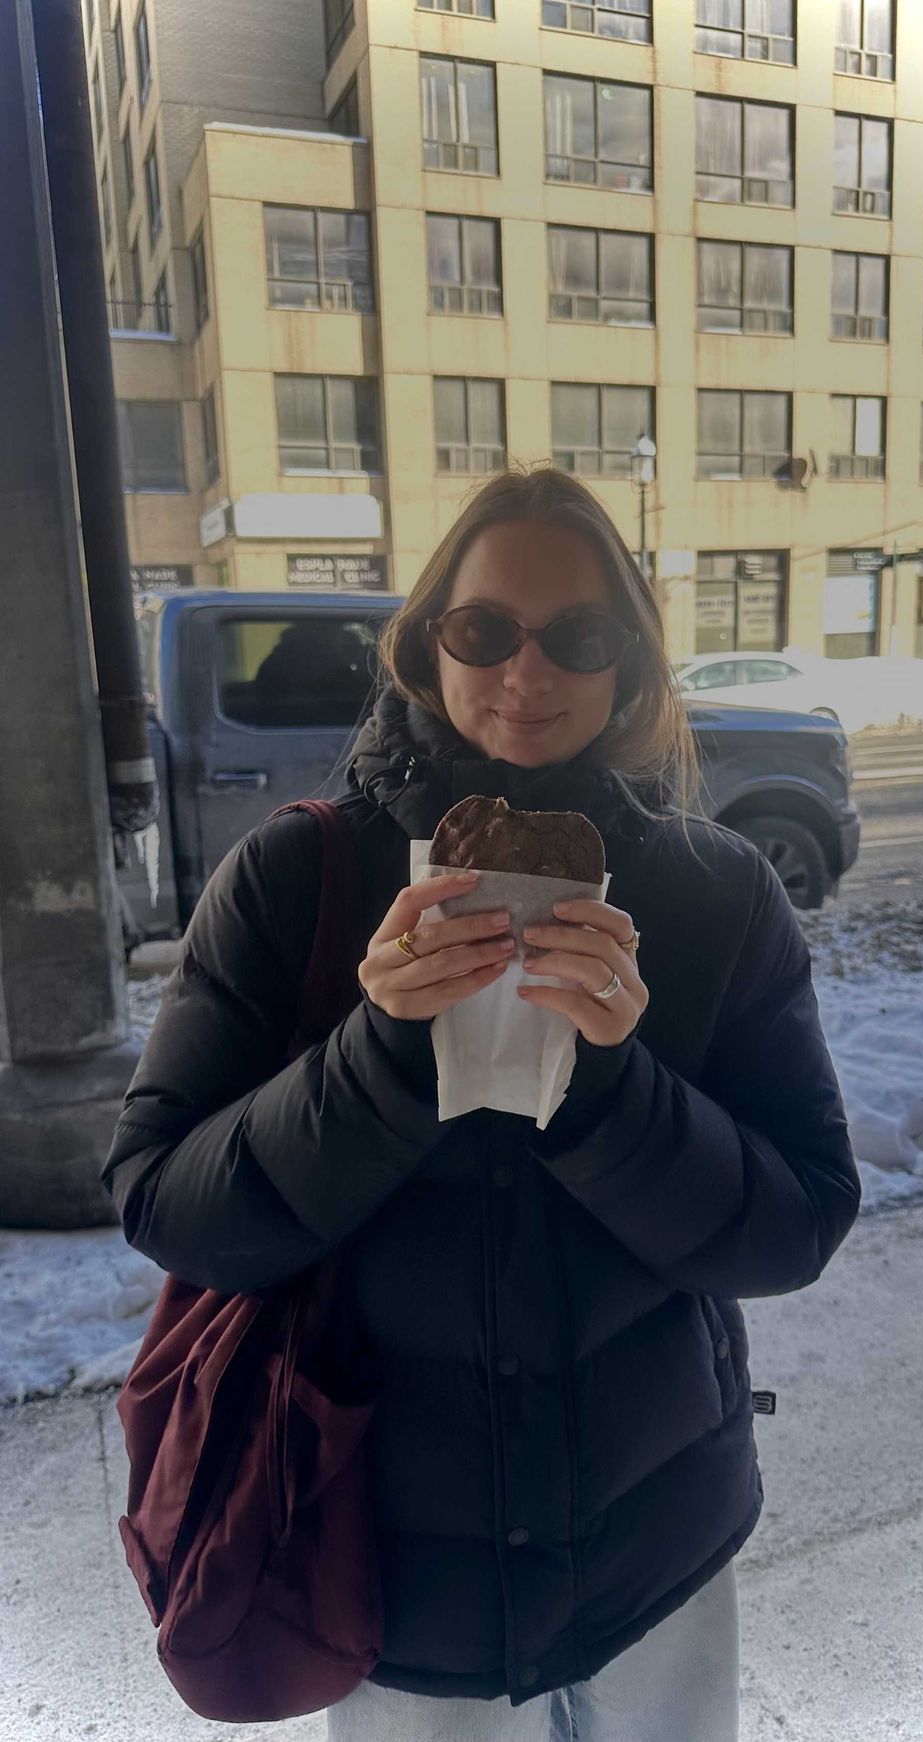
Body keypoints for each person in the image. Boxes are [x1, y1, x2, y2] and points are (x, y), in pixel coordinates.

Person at [102, 463, 860, 1742]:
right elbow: (167, 1203)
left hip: (655, 1547)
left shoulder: (716, 893)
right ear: (425, 642)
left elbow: (795, 1224)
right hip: (388, 1573)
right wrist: (378, 1058)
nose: (526, 670)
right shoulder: (293, 877)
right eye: (484, 628)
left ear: (629, 659)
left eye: (579, 634)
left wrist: (613, 1087)